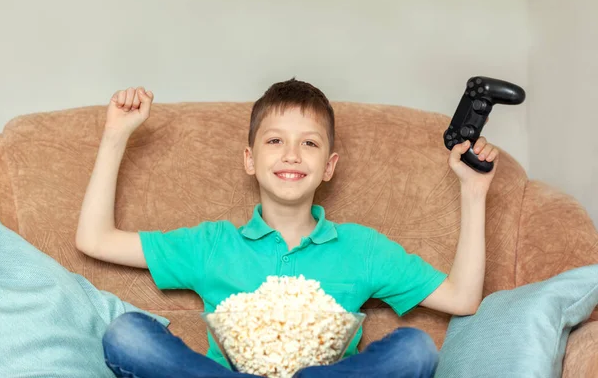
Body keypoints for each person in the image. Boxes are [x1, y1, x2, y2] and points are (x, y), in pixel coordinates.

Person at [76, 79, 499, 378]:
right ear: (249, 159)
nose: (292, 155)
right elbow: (94, 240)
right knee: (127, 334)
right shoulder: (212, 244)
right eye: (275, 141)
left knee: (415, 348)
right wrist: (116, 136)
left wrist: (473, 191)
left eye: (310, 143)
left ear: (329, 166)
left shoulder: (362, 248)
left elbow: (462, 298)